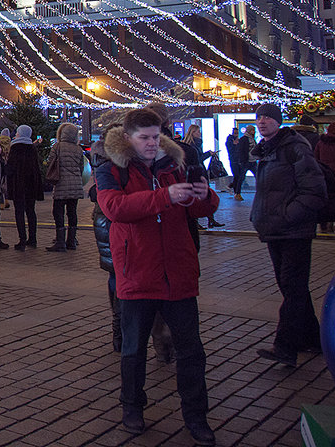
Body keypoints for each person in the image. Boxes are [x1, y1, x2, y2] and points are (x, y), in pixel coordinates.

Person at [96, 107, 218, 446]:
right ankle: (132, 407)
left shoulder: (174, 166)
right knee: (133, 350)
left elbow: (200, 209)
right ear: (129, 138)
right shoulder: (112, 170)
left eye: (155, 136)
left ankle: (196, 415)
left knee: (191, 351)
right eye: (144, 138)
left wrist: (203, 195)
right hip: (137, 273)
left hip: (178, 273)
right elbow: (115, 210)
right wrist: (165, 196)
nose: (151, 144)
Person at [250, 102, 327, 369]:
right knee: (291, 287)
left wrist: (288, 216)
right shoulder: (267, 150)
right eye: (259, 118)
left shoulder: (295, 147)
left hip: (293, 231)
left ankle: (285, 347)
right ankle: (313, 339)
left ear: (278, 122)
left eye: (268, 118)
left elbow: (314, 189)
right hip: (275, 230)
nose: (261, 122)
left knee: (292, 288)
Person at [89, 182, 173, 360]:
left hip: (112, 243)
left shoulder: (108, 182)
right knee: (127, 289)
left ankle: (119, 335)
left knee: (117, 286)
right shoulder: (121, 180)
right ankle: (158, 343)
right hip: (121, 245)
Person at [44, 122, 85, 252]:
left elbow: (50, 162)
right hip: (76, 185)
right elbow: (81, 167)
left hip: (61, 184)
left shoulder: (57, 146)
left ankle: (60, 242)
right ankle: (71, 241)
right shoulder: (78, 149)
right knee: (72, 213)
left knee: (58, 212)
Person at [6, 125, 42, 250]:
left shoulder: (15, 147)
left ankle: (22, 239)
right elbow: (37, 168)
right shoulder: (32, 148)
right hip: (31, 185)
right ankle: (33, 239)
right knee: (31, 211)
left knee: (19, 212)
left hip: (18, 185)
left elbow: (10, 168)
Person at [183, 125, 223, 229]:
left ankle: (211, 219)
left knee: (205, 194)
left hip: (201, 171)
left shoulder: (197, 143)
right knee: (197, 195)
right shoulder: (191, 145)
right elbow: (197, 159)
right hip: (196, 172)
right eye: (197, 132)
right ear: (192, 133)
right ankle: (197, 220)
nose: (199, 133)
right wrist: (208, 154)